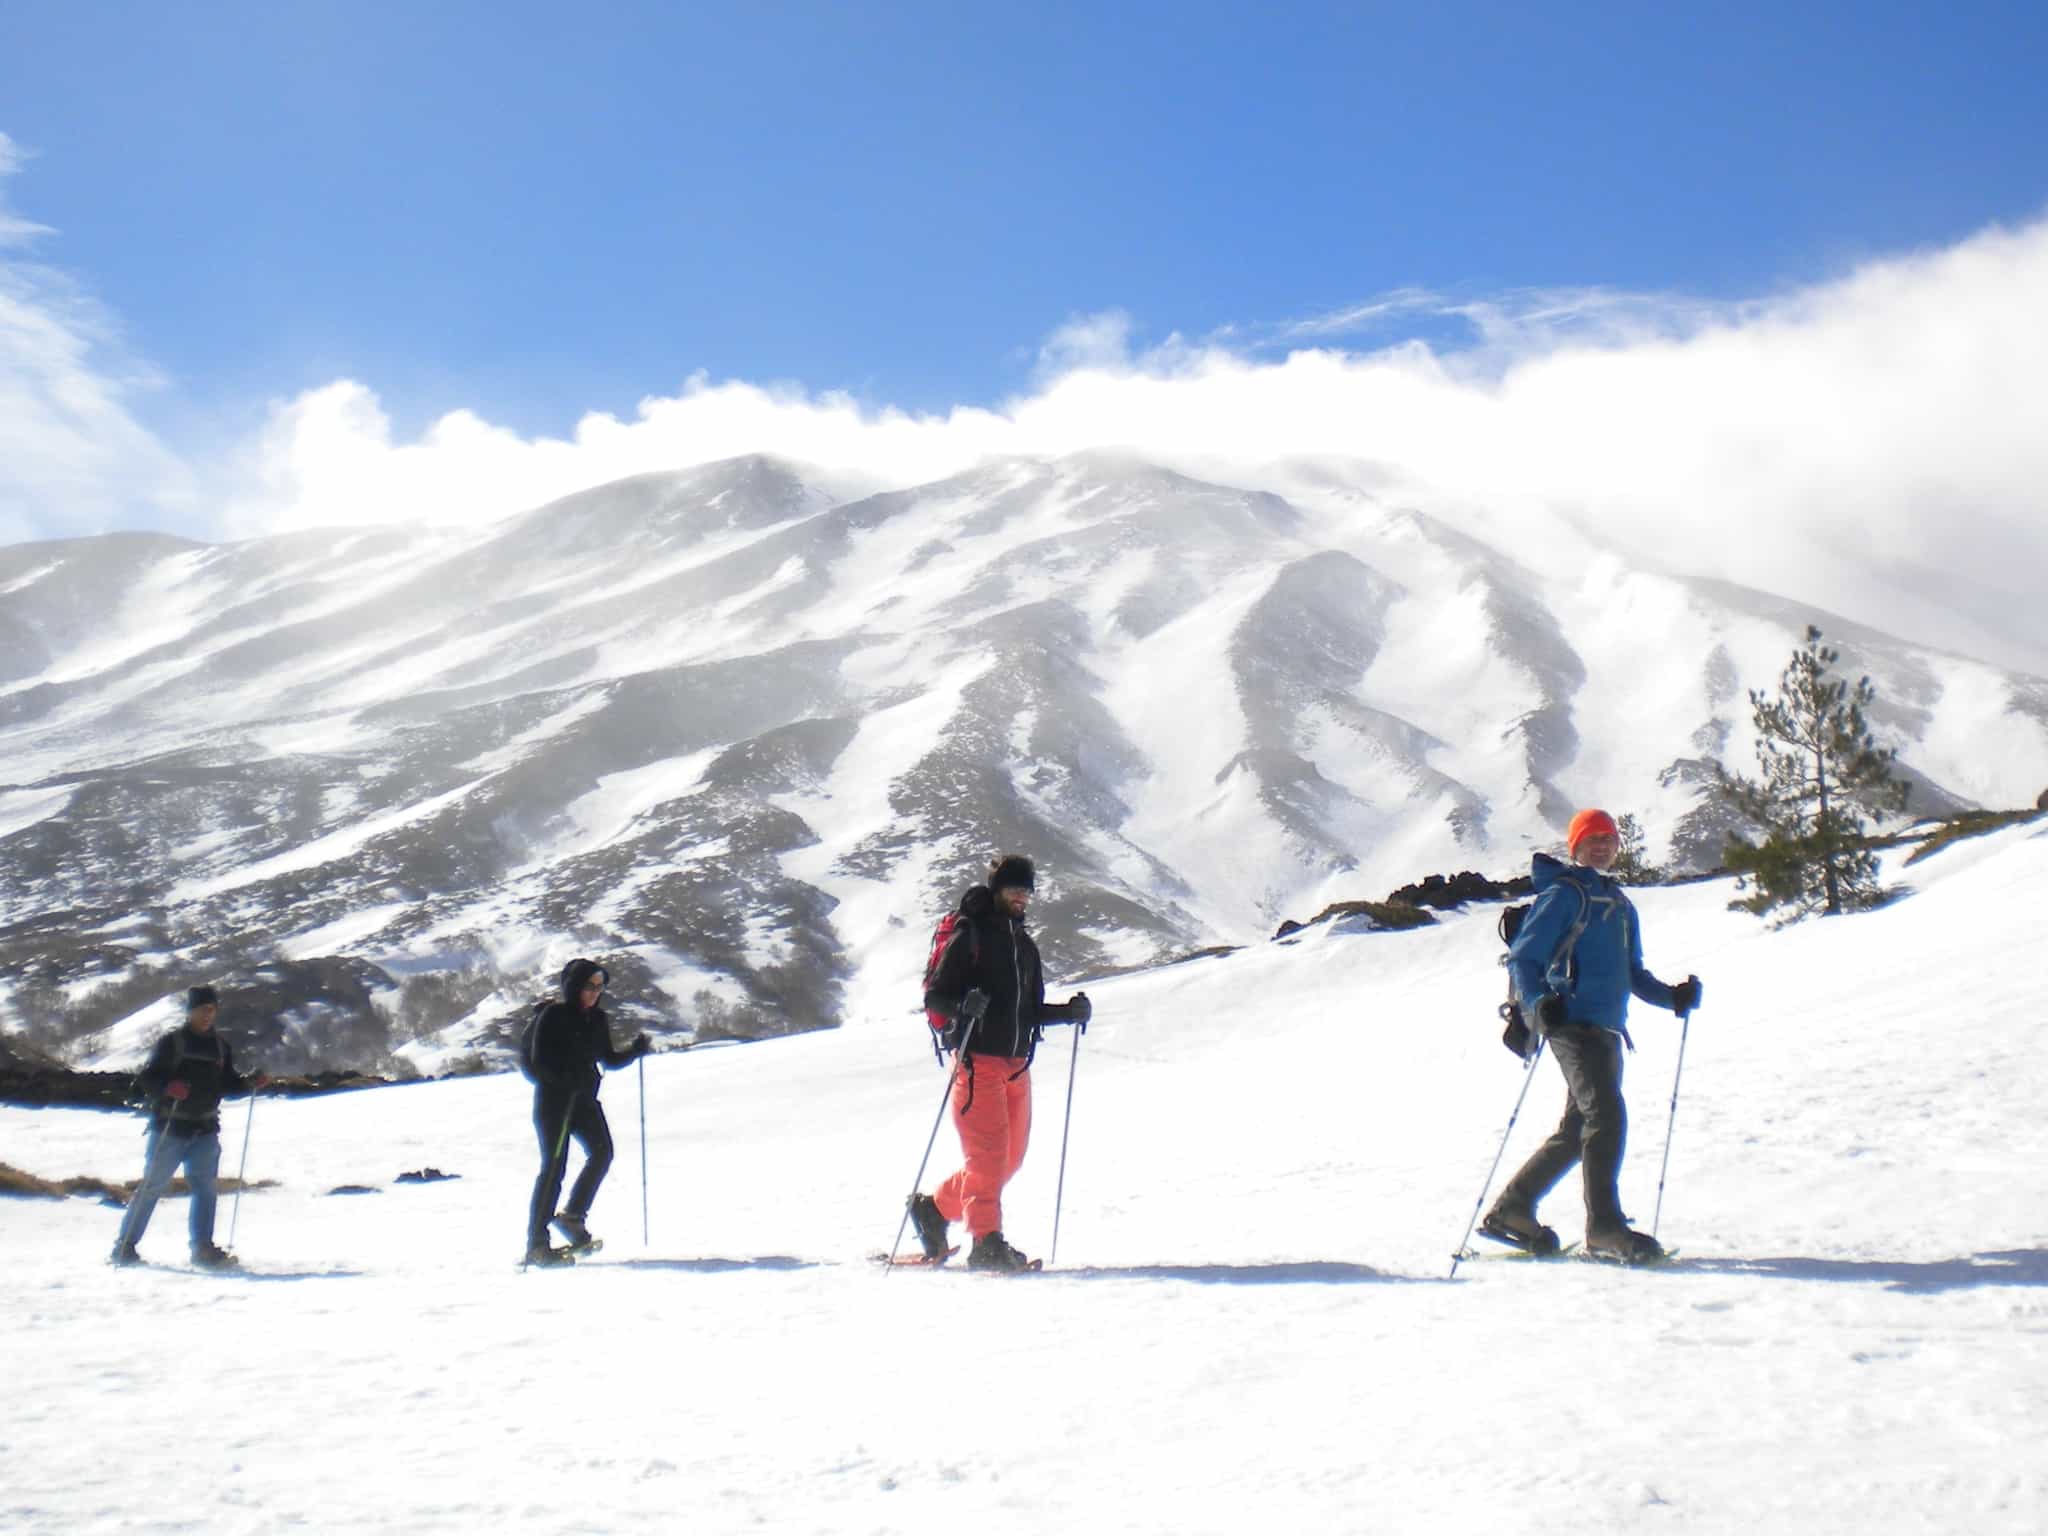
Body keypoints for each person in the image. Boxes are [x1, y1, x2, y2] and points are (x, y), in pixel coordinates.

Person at [1481, 809, 1702, 1264]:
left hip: (1606, 1029)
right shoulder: (1565, 894)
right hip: (1571, 1024)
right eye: (1592, 839)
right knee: (1606, 1116)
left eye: (1608, 838)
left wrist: (1672, 998)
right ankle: (1604, 1227)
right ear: (1575, 845)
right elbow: (1524, 960)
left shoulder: (1619, 904)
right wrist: (1541, 1002)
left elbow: (1632, 974)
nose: (1601, 845)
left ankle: (1513, 1211)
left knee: (1580, 1126)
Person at [907, 855, 1091, 1272]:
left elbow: (1026, 1011)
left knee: (1008, 1160)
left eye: (1026, 891)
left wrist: (1068, 1012)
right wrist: (961, 1007)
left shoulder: (1023, 946)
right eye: (1014, 889)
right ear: (997, 890)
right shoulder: (971, 937)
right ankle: (986, 1242)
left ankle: (935, 1209)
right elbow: (935, 997)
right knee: (988, 1159)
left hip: (1016, 1065)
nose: (1021, 897)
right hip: (977, 1064)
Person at [110, 985, 270, 1268]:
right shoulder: (172, 1044)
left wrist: (248, 1082)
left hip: (204, 1128)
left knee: (204, 1189)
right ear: (190, 1011)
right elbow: (147, 1080)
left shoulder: (220, 1047)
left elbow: (227, 1084)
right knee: (153, 1187)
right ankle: (125, 1246)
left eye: (211, 1010)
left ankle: (202, 1248)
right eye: (202, 1009)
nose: (208, 1015)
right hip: (171, 1128)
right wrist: (167, 1088)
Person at [525, 958, 649, 1265]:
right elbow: (537, 1063)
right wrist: (565, 1079)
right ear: (574, 987)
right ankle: (537, 1244)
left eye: (599, 987)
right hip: (554, 1104)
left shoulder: (597, 1019)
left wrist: (634, 1052)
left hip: (582, 1102)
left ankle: (573, 1216)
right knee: (554, 1170)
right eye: (589, 986)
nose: (595, 993)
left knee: (602, 1152)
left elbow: (607, 1059)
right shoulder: (553, 1015)